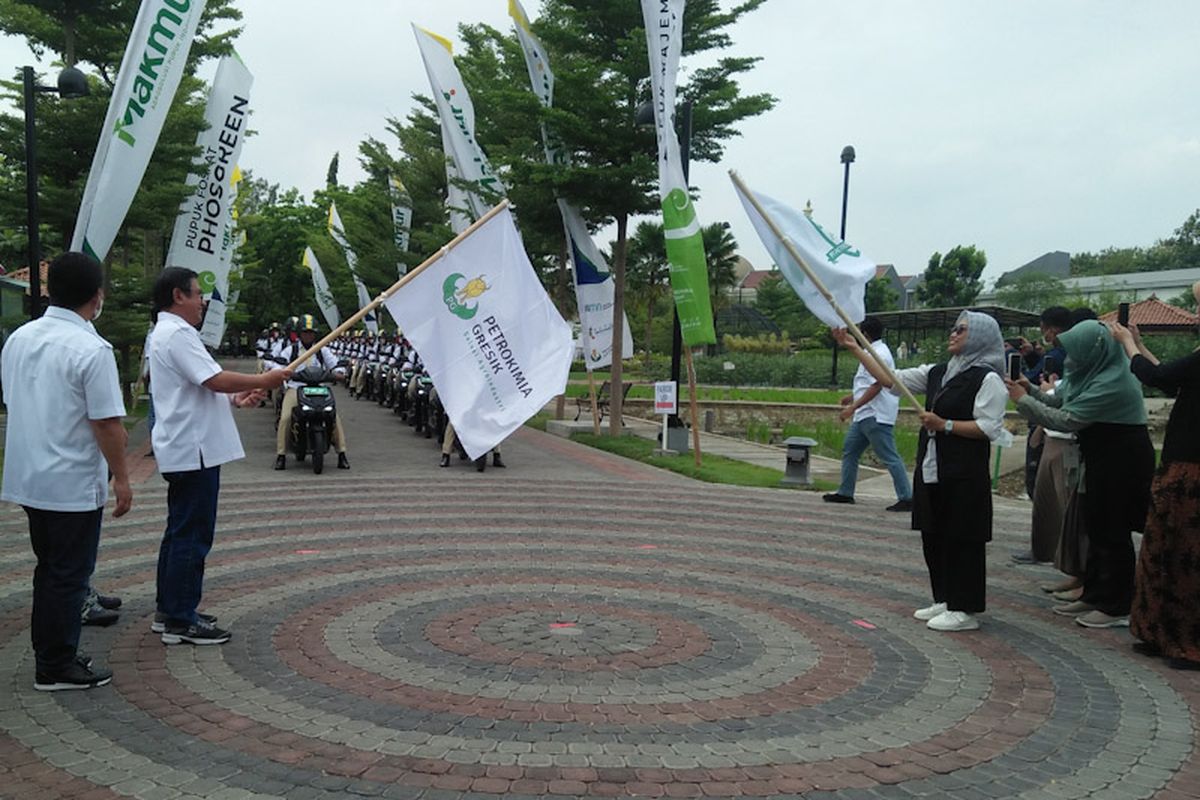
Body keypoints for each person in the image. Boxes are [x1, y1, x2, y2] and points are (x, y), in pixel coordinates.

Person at [1, 252, 131, 690]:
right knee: (68, 575)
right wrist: (124, 478)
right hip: (71, 481)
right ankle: (56, 665)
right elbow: (107, 423)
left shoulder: (19, 338)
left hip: (29, 476)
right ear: (97, 296)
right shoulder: (92, 349)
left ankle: (50, 653)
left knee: (50, 569)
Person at [835, 311, 1011, 632]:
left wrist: (944, 425)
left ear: (981, 337)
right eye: (954, 328)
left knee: (962, 536)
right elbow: (890, 379)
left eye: (962, 330)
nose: (953, 334)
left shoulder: (987, 379)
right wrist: (854, 347)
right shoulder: (938, 372)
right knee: (935, 533)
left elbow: (989, 427)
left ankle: (964, 607)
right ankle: (944, 597)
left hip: (963, 469)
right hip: (933, 465)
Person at [149, 267, 290, 645]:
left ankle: (171, 609)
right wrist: (263, 380)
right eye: (197, 295)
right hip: (193, 450)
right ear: (178, 296)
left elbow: (199, 386)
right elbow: (212, 378)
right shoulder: (178, 333)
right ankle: (180, 617)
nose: (202, 303)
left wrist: (235, 397)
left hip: (188, 447)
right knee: (191, 536)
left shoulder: (166, 333)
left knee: (179, 532)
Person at [1007, 320, 1154, 629]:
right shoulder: (1090, 373)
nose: (1069, 357)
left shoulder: (1114, 381)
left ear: (1094, 349)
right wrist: (1029, 388)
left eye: (1075, 350)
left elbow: (1067, 419)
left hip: (1120, 460)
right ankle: (1095, 592)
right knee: (1096, 526)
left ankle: (1116, 605)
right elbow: (1058, 400)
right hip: (1098, 457)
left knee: (1112, 530)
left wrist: (1023, 402)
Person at [1111, 280, 1200, 669]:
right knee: (1162, 549)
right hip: (1181, 464)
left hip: (1193, 470)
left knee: (1186, 558)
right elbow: (1168, 372)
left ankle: (1187, 642)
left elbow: (1155, 378)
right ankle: (1155, 630)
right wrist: (1138, 343)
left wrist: (1127, 345)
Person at [823, 317, 912, 511]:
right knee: (850, 451)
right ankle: (845, 492)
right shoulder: (872, 352)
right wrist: (851, 397)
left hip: (875, 414)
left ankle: (907, 497)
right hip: (865, 414)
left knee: (889, 455)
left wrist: (853, 407)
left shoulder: (879, 354)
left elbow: (878, 385)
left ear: (865, 334)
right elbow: (866, 384)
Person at [1012, 305, 1073, 565]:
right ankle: (1055, 554)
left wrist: (1031, 396)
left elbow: (1065, 411)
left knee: (1054, 496)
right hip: (1054, 434)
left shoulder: (1066, 357)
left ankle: (1057, 554)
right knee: (1056, 497)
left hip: (1059, 438)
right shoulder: (1069, 358)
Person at [270, 314, 350, 470]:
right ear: (299, 333)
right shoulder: (290, 350)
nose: (308, 335)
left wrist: (339, 372)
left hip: (319, 388)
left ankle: (342, 454)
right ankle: (281, 455)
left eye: (311, 332)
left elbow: (335, 364)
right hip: (296, 387)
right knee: (285, 418)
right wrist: (281, 371)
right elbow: (278, 366)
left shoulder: (322, 350)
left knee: (335, 417)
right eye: (305, 332)